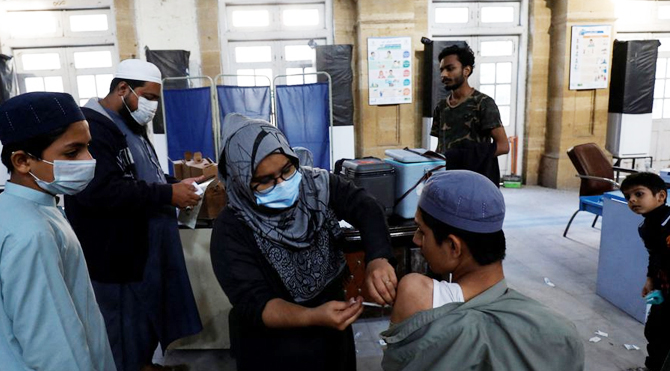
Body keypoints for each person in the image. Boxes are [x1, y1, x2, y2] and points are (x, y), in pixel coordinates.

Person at [211, 114, 397, 371]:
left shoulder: (317, 185)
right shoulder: (232, 228)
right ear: (241, 181)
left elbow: (367, 208)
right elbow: (255, 303)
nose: (282, 184)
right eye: (264, 180)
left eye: (287, 169)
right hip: (273, 349)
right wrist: (312, 316)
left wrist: (378, 259)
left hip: (332, 335)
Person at [64, 59, 203, 371]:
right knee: (123, 331)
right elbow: (101, 191)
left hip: (141, 252)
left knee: (143, 323)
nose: (152, 106)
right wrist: (169, 194)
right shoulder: (95, 130)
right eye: (149, 97)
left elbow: (143, 175)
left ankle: (144, 364)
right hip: (116, 258)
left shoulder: (131, 126)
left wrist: (174, 184)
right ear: (122, 88)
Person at [382, 170, 584, 371]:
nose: (416, 240)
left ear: (453, 247)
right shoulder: (563, 334)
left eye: (422, 231)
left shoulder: (417, 294)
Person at [0, 92, 116, 370]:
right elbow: (54, 344)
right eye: (72, 152)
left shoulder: (22, 209)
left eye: (88, 147)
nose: (89, 160)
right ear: (22, 161)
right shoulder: (32, 233)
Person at [621, 172, 670, 371]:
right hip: (667, 296)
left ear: (661, 196)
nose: (632, 200)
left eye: (639, 194)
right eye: (628, 196)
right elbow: (654, 255)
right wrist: (650, 278)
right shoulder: (646, 228)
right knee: (656, 333)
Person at [430, 44, 509, 186]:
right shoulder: (441, 107)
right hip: (448, 179)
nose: (443, 75)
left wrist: (465, 157)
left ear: (466, 70)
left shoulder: (484, 103)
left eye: (450, 69)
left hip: (475, 181)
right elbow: (441, 147)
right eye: (441, 70)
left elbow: (503, 146)